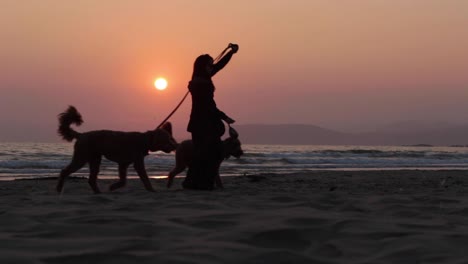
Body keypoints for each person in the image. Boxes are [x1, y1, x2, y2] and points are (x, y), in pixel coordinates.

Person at [183, 43, 239, 190]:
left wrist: (231, 53)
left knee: (203, 155)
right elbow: (208, 106)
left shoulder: (202, 77)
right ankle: (199, 184)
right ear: (203, 66)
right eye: (209, 64)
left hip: (201, 124)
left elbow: (219, 66)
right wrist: (224, 117)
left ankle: (194, 184)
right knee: (207, 156)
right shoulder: (201, 83)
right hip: (204, 124)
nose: (211, 67)